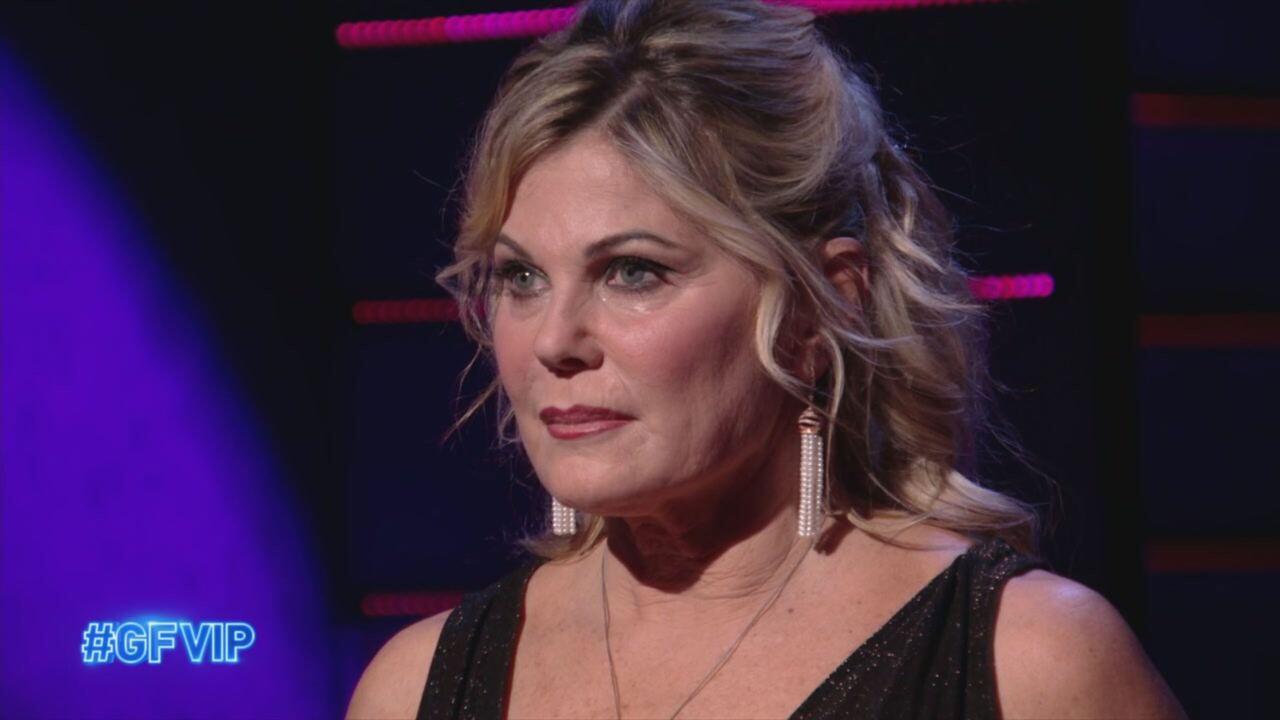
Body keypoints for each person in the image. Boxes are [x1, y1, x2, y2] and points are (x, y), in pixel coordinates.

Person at [347, 1, 1187, 717]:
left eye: (633, 272)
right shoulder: (413, 690)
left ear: (820, 308)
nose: (553, 341)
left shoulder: (1030, 666)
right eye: (522, 277)